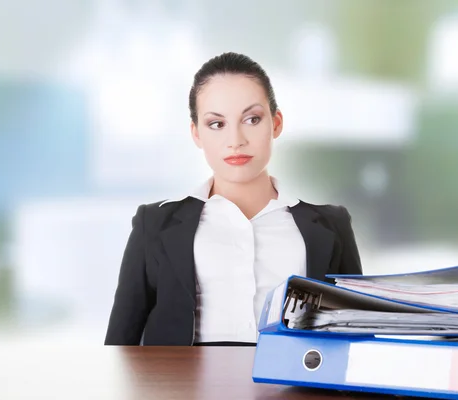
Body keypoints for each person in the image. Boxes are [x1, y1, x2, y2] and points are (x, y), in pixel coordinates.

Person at [104, 52, 363, 346]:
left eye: (252, 119)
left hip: (292, 388)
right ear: (196, 133)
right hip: (181, 389)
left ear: (276, 123)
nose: (236, 140)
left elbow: (354, 339)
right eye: (217, 124)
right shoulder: (154, 224)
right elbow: (119, 347)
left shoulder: (331, 225)